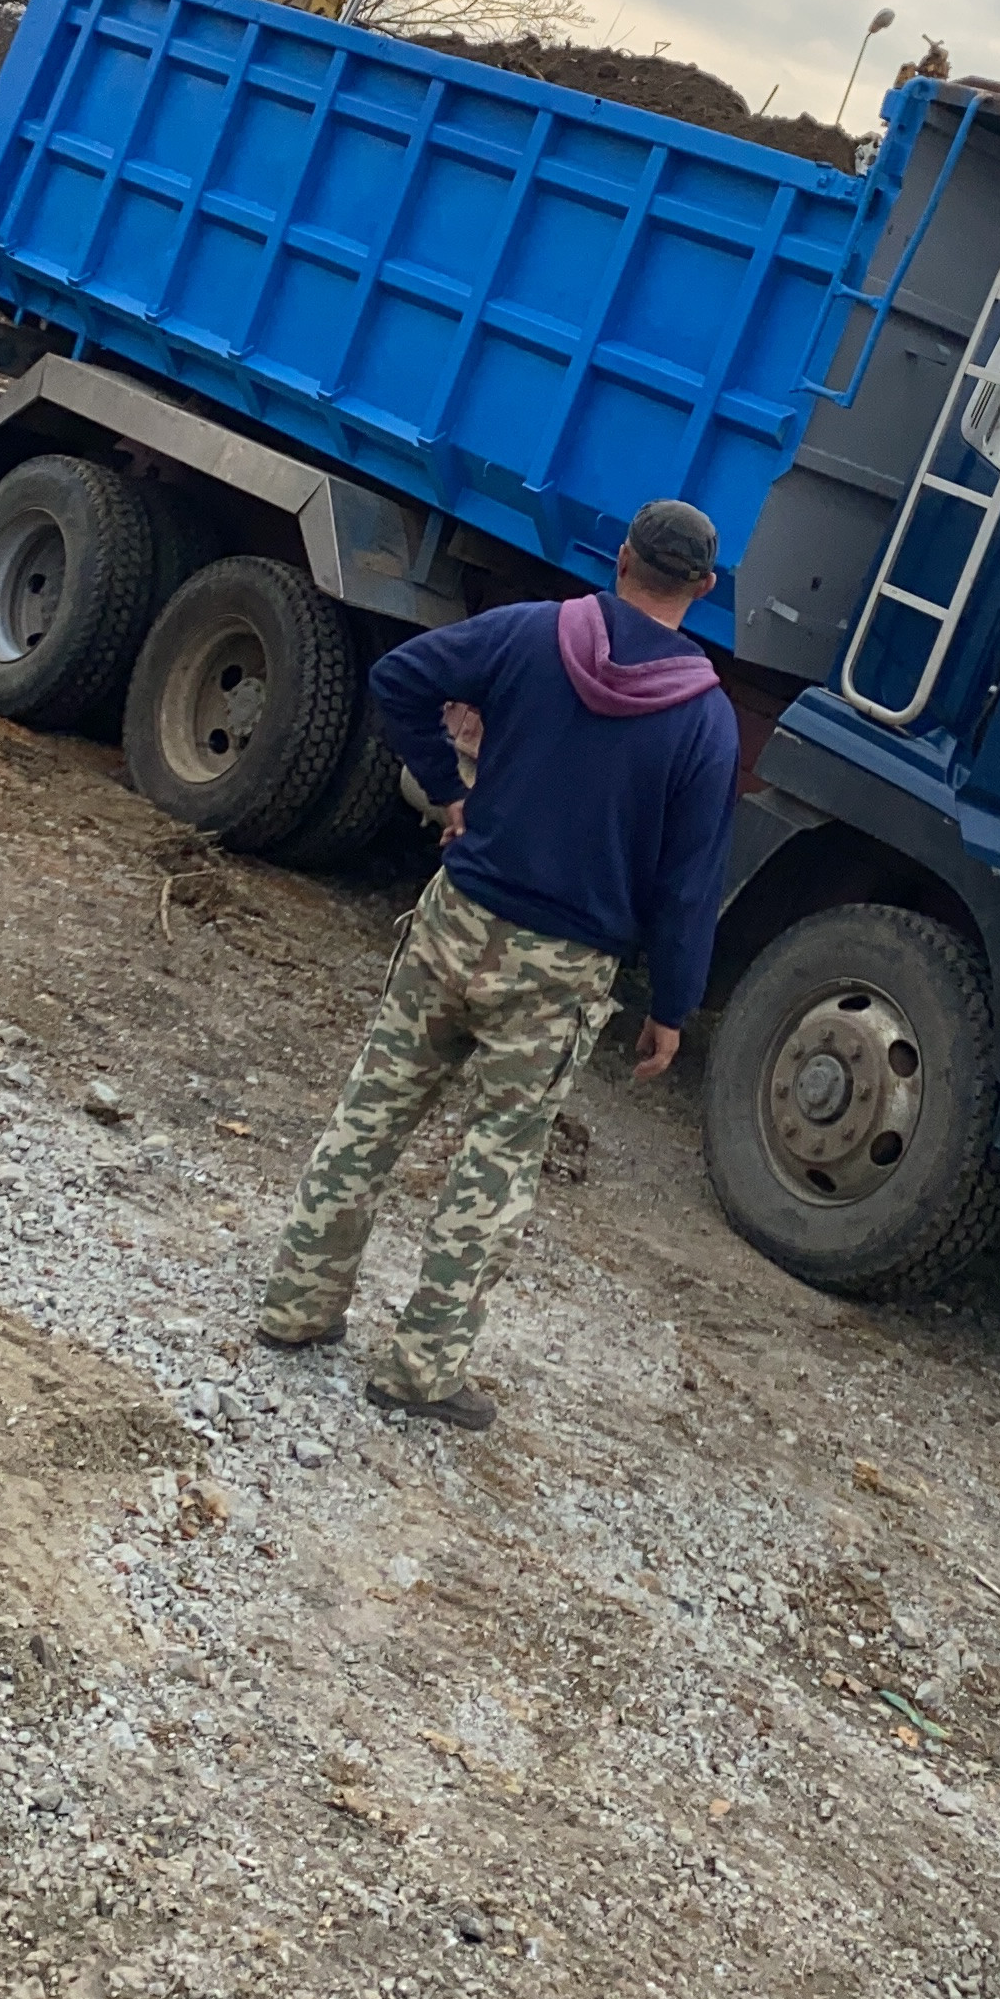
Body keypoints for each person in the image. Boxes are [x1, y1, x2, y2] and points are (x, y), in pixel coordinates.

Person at [255, 498, 740, 1431]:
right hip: (559, 974)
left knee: (371, 1116)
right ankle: (421, 1371)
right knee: (494, 1167)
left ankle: (298, 1308)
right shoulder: (704, 724)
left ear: (624, 556)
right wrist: (673, 1005)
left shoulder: (533, 633)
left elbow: (401, 678)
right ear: (704, 590)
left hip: (456, 921)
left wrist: (450, 794)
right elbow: (688, 884)